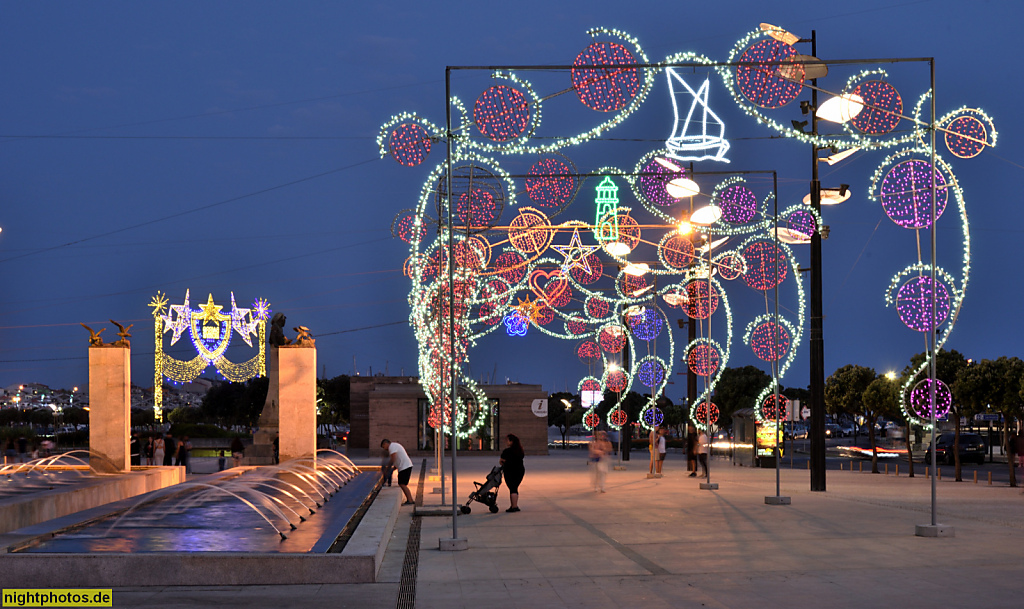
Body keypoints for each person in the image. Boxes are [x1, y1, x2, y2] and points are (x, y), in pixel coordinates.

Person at [381, 438, 415, 505]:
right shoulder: (394, 446)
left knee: (402, 484)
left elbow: (393, 458)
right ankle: (410, 499)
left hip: (405, 467)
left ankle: (410, 500)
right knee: (402, 483)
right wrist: (393, 469)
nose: (384, 449)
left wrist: (388, 469)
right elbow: (398, 459)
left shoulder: (392, 447)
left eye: (383, 447)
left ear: (385, 443)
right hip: (404, 466)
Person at [499, 434, 525, 512]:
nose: (505, 442)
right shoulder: (520, 450)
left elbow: (501, 461)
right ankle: (514, 505)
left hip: (509, 471)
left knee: (512, 488)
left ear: (511, 441)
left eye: (507, 440)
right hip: (520, 471)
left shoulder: (507, 451)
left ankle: (514, 506)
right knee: (515, 488)